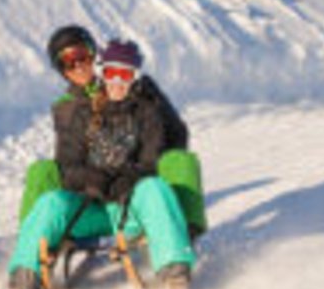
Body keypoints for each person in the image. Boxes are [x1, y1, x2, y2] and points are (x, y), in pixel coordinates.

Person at [7, 39, 196, 289]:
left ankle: (175, 279)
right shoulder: (83, 113)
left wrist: (125, 180)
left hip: (128, 209)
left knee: (155, 189)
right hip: (89, 208)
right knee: (51, 203)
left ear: (135, 77)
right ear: (102, 73)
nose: (117, 82)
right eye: (111, 73)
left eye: (125, 75)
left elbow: (150, 163)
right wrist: (91, 179)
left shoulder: (147, 113)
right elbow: (67, 165)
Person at [19, 24, 206, 235]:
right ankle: (34, 237)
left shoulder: (130, 82)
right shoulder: (66, 106)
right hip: (93, 187)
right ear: (62, 71)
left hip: (138, 177)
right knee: (41, 171)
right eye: (68, 62)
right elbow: (67, 158)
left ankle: (184, 228)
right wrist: (91, 180)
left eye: (82, 55)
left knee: (180, 160)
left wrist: (142, 167)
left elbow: (176, 133)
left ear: (94, 53)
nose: (78, 65)